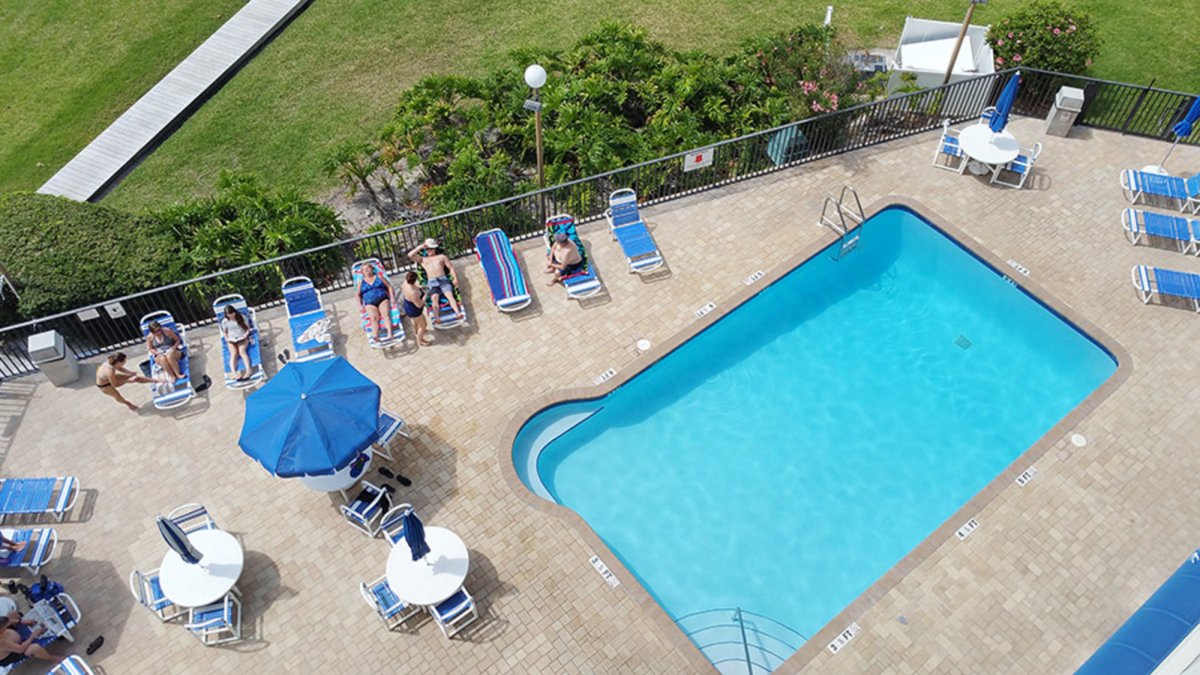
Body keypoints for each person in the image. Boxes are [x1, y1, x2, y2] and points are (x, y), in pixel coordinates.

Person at [408, 239, 464, 319]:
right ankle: (437, 318)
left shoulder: (441, 257)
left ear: (435, 248)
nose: (429, 250)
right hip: (432, 282)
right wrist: (421, 247)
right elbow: (410, 255)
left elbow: (451, 268)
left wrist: (455, 278)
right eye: (427, 249)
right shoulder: (423, 259)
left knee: (450, 295)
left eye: (431, 248)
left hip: (443, 279)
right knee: (434, 298)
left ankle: (458, 313)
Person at [356, 262, 395, 343]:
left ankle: (390, 334)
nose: (366, 270)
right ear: (362, 272)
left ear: (372, 269)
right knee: (373, 318)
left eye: (368, 268)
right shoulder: (360, 282)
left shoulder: (379, 277)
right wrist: (359, 305)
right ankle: (376, 336)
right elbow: (357, 295)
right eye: (364, 269)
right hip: (369, 303)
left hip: (382, 299)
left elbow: (389, 287)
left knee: (386, 315)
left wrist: (392, 298)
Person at [219, 305, 254, 380]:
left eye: (231, 314)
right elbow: (225, 332)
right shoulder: (225, 321)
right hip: (232, 339)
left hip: (242, 337)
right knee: (233, 353)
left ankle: (248, 370)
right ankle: (234, 373)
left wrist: (245, 335)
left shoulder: (242, 317)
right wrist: (227, 339)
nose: (230, 316)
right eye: (228, 315)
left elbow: (248, 329)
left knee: (242, 352)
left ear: (234, 312)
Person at [400, 272, 432, 346]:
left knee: (414, 320)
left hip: (407, 305)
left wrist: (419, 287)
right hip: (415, 311)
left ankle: (416, 332)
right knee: (423, 325)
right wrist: (425, 296)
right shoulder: (414, 293)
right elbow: (419, 305)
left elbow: (413, 285)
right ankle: (420, 341)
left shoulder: (405, 283)